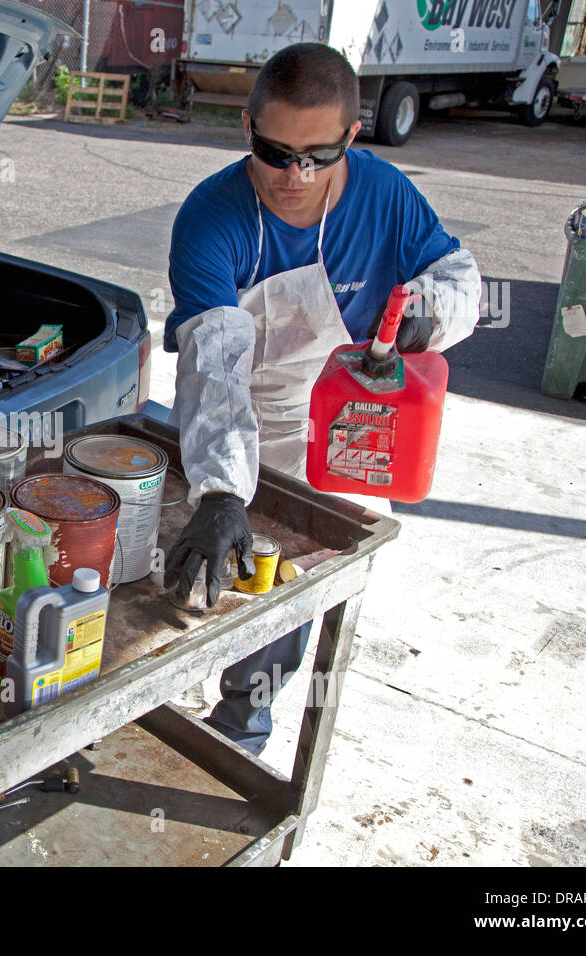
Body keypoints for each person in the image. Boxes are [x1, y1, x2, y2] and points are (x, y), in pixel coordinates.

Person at [163, 42, 481, 755]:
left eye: (318, 156)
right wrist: (221, 489)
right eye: (276, 154)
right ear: (247, 127)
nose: (295, 177)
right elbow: (214, 365)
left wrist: (432, 315)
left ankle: (242, 727)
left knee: (294, 592)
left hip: (348, 420)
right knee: (207, 567)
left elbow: (461, 278)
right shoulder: (211, 218)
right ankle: (155, 698)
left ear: (352, 136)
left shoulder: (386, 195)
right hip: (243, 416)